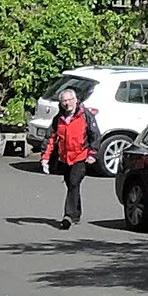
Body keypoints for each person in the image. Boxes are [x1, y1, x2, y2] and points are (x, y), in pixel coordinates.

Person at [42, 85, 97, 229]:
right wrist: (45, 158)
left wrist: (93, 154)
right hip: (65, 158)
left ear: (75, 100)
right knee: (72, 185)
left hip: (81, 156)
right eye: (64, 101)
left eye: (69, 100)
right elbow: (51, 139)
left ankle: (68, 216)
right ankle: (76, 214)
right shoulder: (58, 118)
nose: (67, 103)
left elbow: (95, 136)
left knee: (73, 182)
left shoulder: (85, 115)